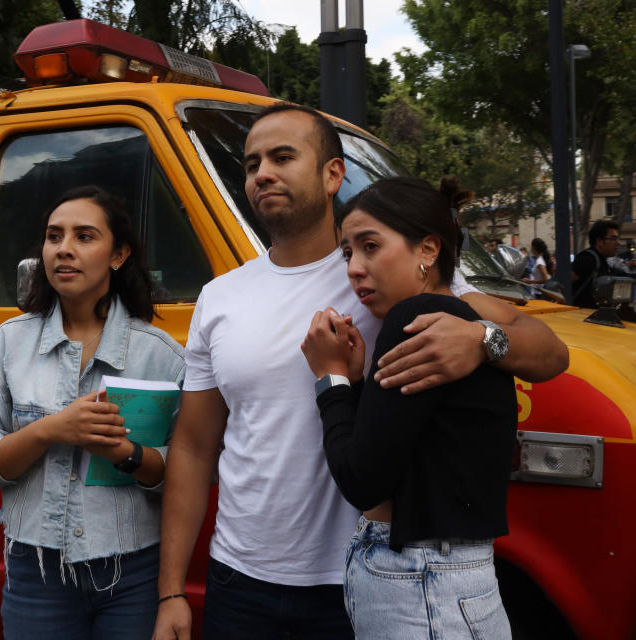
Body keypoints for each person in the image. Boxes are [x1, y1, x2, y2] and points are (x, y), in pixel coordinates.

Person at [152, 102, 568, 640]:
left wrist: (481, 340)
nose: (263, 174)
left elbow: (551, 353)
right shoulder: (219, 298)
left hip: (363, 581)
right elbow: (192, 446)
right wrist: (171, 592)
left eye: (282, 156)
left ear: (332, 174)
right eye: (252, 163)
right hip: (240, 580)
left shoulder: (390, 273)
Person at [0, 186, 185, 640]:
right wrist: (49, 430)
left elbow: (188, 474)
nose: (64, 249)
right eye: (54, 236)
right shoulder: (7, 345)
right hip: (36, 572)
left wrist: (128, 453)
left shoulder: (162, 357)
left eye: (84, 236)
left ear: (119, 255)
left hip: (131, 571)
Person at [300, 176, 516, 639]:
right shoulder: (466, 324)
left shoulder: (412, 321)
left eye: (371, 246)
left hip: (421, 585)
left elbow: (362, 479)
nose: (355, 268)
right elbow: (409, 453)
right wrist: (358, 383)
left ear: (428, 250)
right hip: (456, 580)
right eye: (347, 253)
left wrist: (330, 378)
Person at [571, 220, 620, 309]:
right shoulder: (587, 259)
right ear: (599, 241)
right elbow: (564, 284)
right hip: (579, 318)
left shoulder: (603, 261)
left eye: (617, 238)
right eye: (613, 238)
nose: (618, 243)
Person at [612, 239, 636, 304]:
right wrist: (627, 263)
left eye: (633, 248)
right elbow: (618, 266)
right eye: (630, 248)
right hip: (626, 281)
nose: (632, 250)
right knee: (625, 301)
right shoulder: (622, 255)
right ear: (627, 248)